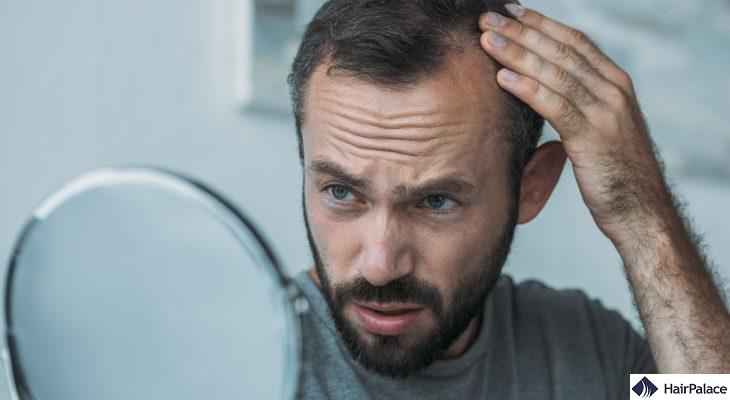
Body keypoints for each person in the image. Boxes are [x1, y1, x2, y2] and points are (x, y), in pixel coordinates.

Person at [285, 0, 730, 398]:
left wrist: (643, 217)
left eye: (437, 201)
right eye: (341, 192)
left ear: (531, 188)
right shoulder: (239, 354)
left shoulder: (595, 352)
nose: (380, 267)